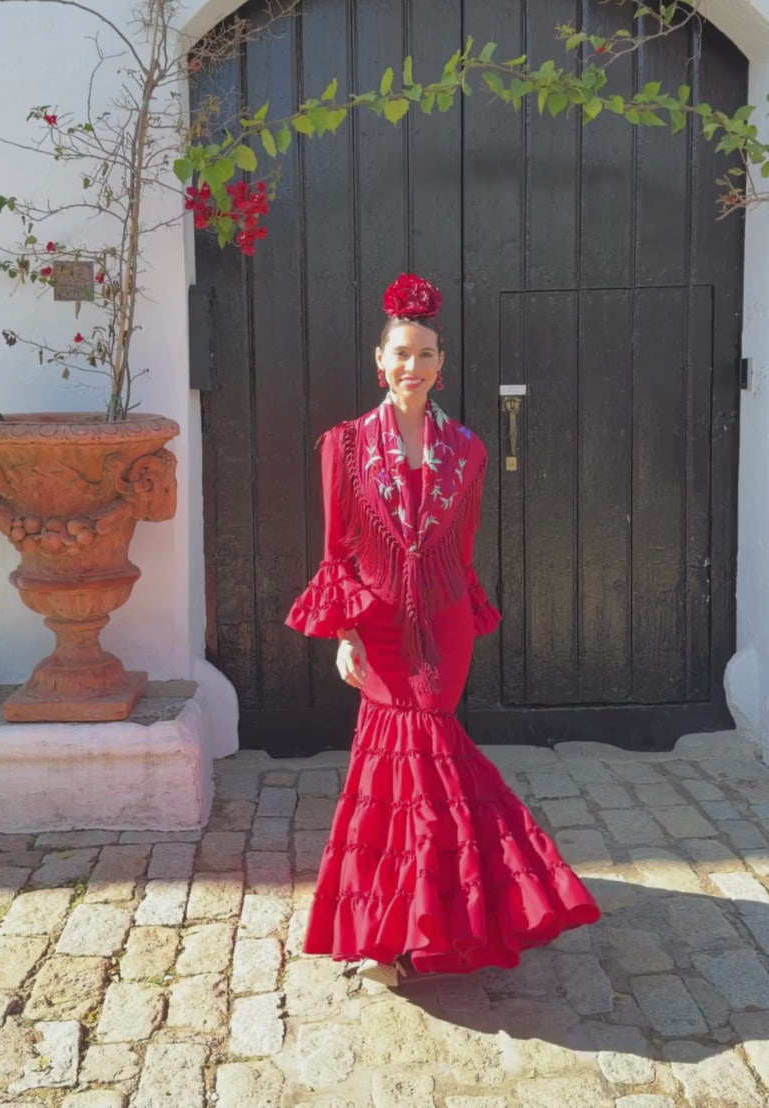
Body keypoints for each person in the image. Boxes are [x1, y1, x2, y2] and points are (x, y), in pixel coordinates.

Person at [285, 273, 600, 987]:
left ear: (441, 364)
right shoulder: (344, 445)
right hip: (381, 630)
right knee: (395, 772)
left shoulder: (468, 448)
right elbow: (338, 551)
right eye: (401, 353)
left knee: (425, 766)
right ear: (379, 360)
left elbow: (460, 549)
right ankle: (405, 925)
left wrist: (453, 606)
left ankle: (421, 920)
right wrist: (346, 633)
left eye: (425, 355)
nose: (412, 367)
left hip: (446, 627)